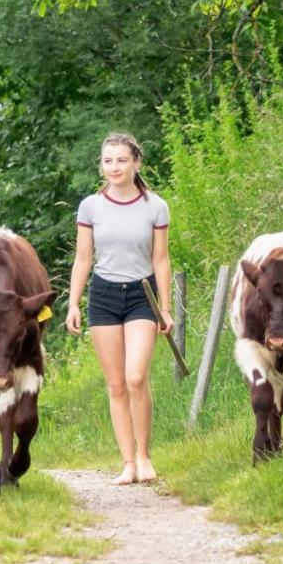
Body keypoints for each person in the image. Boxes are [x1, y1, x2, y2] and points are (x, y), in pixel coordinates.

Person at [65, 132, 174, 485]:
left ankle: (145, 457)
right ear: (102, 164)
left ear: (136, 163)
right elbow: (83, 259)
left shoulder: (155, 206)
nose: (114, 167)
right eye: (108, 160)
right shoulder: (90, 207)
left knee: (136, 377)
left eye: (122, 160)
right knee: (115, 385)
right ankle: (127, 463)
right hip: (103, 296)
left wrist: (166, 309)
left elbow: (161, 259)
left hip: (143, 295)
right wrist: (73, 303)